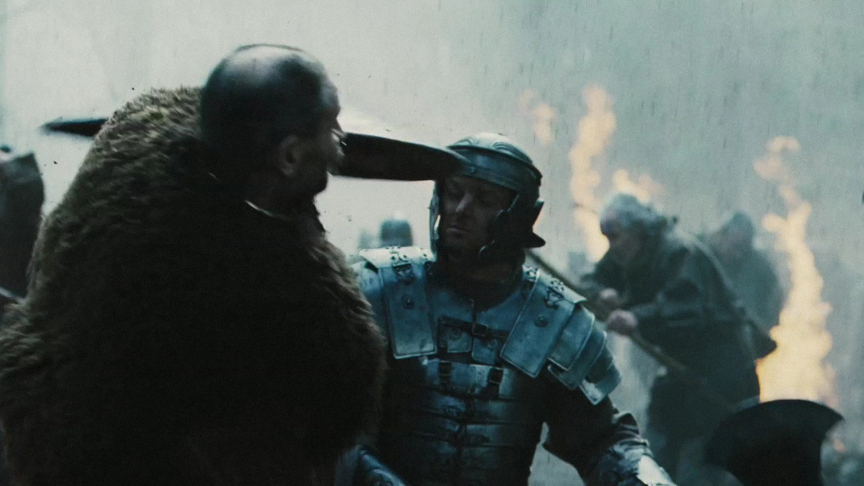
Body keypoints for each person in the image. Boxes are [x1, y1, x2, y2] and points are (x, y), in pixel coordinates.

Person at [0, 45, 386, 486]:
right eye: (330, 126)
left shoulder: (132, 178)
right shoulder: (268, 286)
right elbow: (338, 399)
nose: (341, 137)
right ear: (289, 157)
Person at [353, 133, 674, 486]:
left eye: (484, 199)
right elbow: (323, 416)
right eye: (455, 192)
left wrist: (645, 479)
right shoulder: (382, 289)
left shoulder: (553, 319)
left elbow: (599, 440)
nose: (461, 209)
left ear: (518, 216)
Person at [580, 194, 759, 485]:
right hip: (679, 370)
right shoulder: (627, 253)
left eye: (616, 237)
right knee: (657, 448)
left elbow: (688, 307)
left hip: (721, 372)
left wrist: (638, 317)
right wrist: (601, 293)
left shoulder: (680, 252)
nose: (612, 246)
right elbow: (591, 279)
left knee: (705, 461)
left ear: (638, 230)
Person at [704, 211, 784, 334]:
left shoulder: (759, 266)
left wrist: (763, 327)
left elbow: (774, 298)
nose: (739, 255)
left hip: (746, 333)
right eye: (736, 246)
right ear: (723, 236)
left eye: (744, 249)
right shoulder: (703, 258)